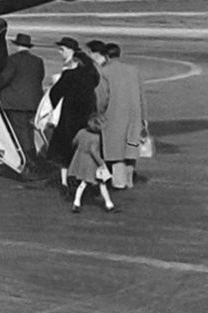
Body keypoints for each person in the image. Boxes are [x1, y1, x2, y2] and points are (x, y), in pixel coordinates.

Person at [46, 37, 100, 196]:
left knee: (64, 148)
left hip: (70, 116)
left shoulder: (69, 75)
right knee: (84, 147)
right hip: (87, 115)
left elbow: (55, 94)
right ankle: (84, 179)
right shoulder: (91, 74)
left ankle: (65, 181)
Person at [0, 33, 45, 175]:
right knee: (29, 132)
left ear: (17, 46)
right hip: (34, 102)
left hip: (15, 103)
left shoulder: (13, 60)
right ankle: (33, 157)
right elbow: (40, 78)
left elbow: (4, 78)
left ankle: (28, 161)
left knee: (20, 132)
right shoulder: (38, 61)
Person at [101, 43, 148, 189]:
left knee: (116, 150)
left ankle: (120, 182)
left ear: (106, 56)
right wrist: (144, 118)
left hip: (114, 116)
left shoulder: (104, 72)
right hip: (134, 116)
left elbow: (103, 97)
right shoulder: (133, 70)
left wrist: (98, 113)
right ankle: (129, 180)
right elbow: (141, 96)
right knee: (131, 148)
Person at [68, 112, 117, 213]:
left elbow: (74, 142)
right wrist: (102, 164)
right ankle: (109, 204)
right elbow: (94, 152)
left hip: (80, 161)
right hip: (92, 164)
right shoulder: (96, 138)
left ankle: (76, 203)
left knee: (83, 183)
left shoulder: (81, 132)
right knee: (102, 184)